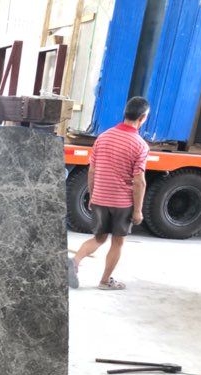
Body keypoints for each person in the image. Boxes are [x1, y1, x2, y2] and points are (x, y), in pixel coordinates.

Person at [69, 96, 150, 290]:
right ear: (143, 118)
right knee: (117, 242)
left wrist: (93, 195)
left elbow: (92, 171)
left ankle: (74, 261)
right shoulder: (140, 145)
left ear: (125, 113)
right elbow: (139, 181)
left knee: (99, 238)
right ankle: (105, 282)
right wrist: (137, 210)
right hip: (122, 203)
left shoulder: (103, 137)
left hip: (100, 198)